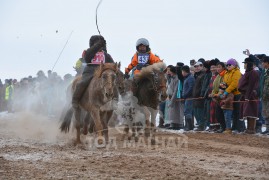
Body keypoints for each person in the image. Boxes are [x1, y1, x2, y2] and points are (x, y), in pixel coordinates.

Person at [72, 35, 114, 109]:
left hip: (102, 72)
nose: (99, 46)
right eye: (97, 43)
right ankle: (75, 100)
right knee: (82, 83)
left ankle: (116, 101)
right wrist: (97, 46)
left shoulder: (106, 55)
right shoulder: (88, 52)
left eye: (101, 44)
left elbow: (112, 64)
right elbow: (87, 59)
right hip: (90, 71)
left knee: (113, 83)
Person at [238, 57, 259, 134]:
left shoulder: (253, 73)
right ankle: (248, 129)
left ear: (249, 64)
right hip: (245, 95)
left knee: (251, 112)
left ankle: (251, 129)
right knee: (247, 112)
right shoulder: (247, 72)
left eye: (246, 63)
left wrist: (247, 97)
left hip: (250, 95)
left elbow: (251, 85)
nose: (244, 65)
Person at [223, 58, 243, 133]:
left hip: (237, 94)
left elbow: (235, 83)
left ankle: (240, 128)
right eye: (227, 65)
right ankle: (234, 127)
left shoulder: (237, 72)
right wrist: (221, 91)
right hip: (230, 94)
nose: (228, 66)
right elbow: (224, 83)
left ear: (234, 65)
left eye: (229, 64)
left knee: (238, 112)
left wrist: (226, 92)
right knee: (233, 111)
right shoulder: (226, 73)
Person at [181, 65, 195, 131]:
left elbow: (191, 88)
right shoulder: (187, 78)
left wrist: (185, 95)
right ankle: (188, 125)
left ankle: (189, 126)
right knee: (187, 111)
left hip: (189, 97)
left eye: (182, 71)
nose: (182, 73)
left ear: (184, 71)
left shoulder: (190, 78)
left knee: (187, 112)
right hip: (187, 97)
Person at [261, 56, 269, 135]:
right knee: (265, 113)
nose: (262, 63)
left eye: (263, 62)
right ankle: (267, 128)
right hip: (264, 96)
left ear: (267, 62)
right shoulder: (264, 72)